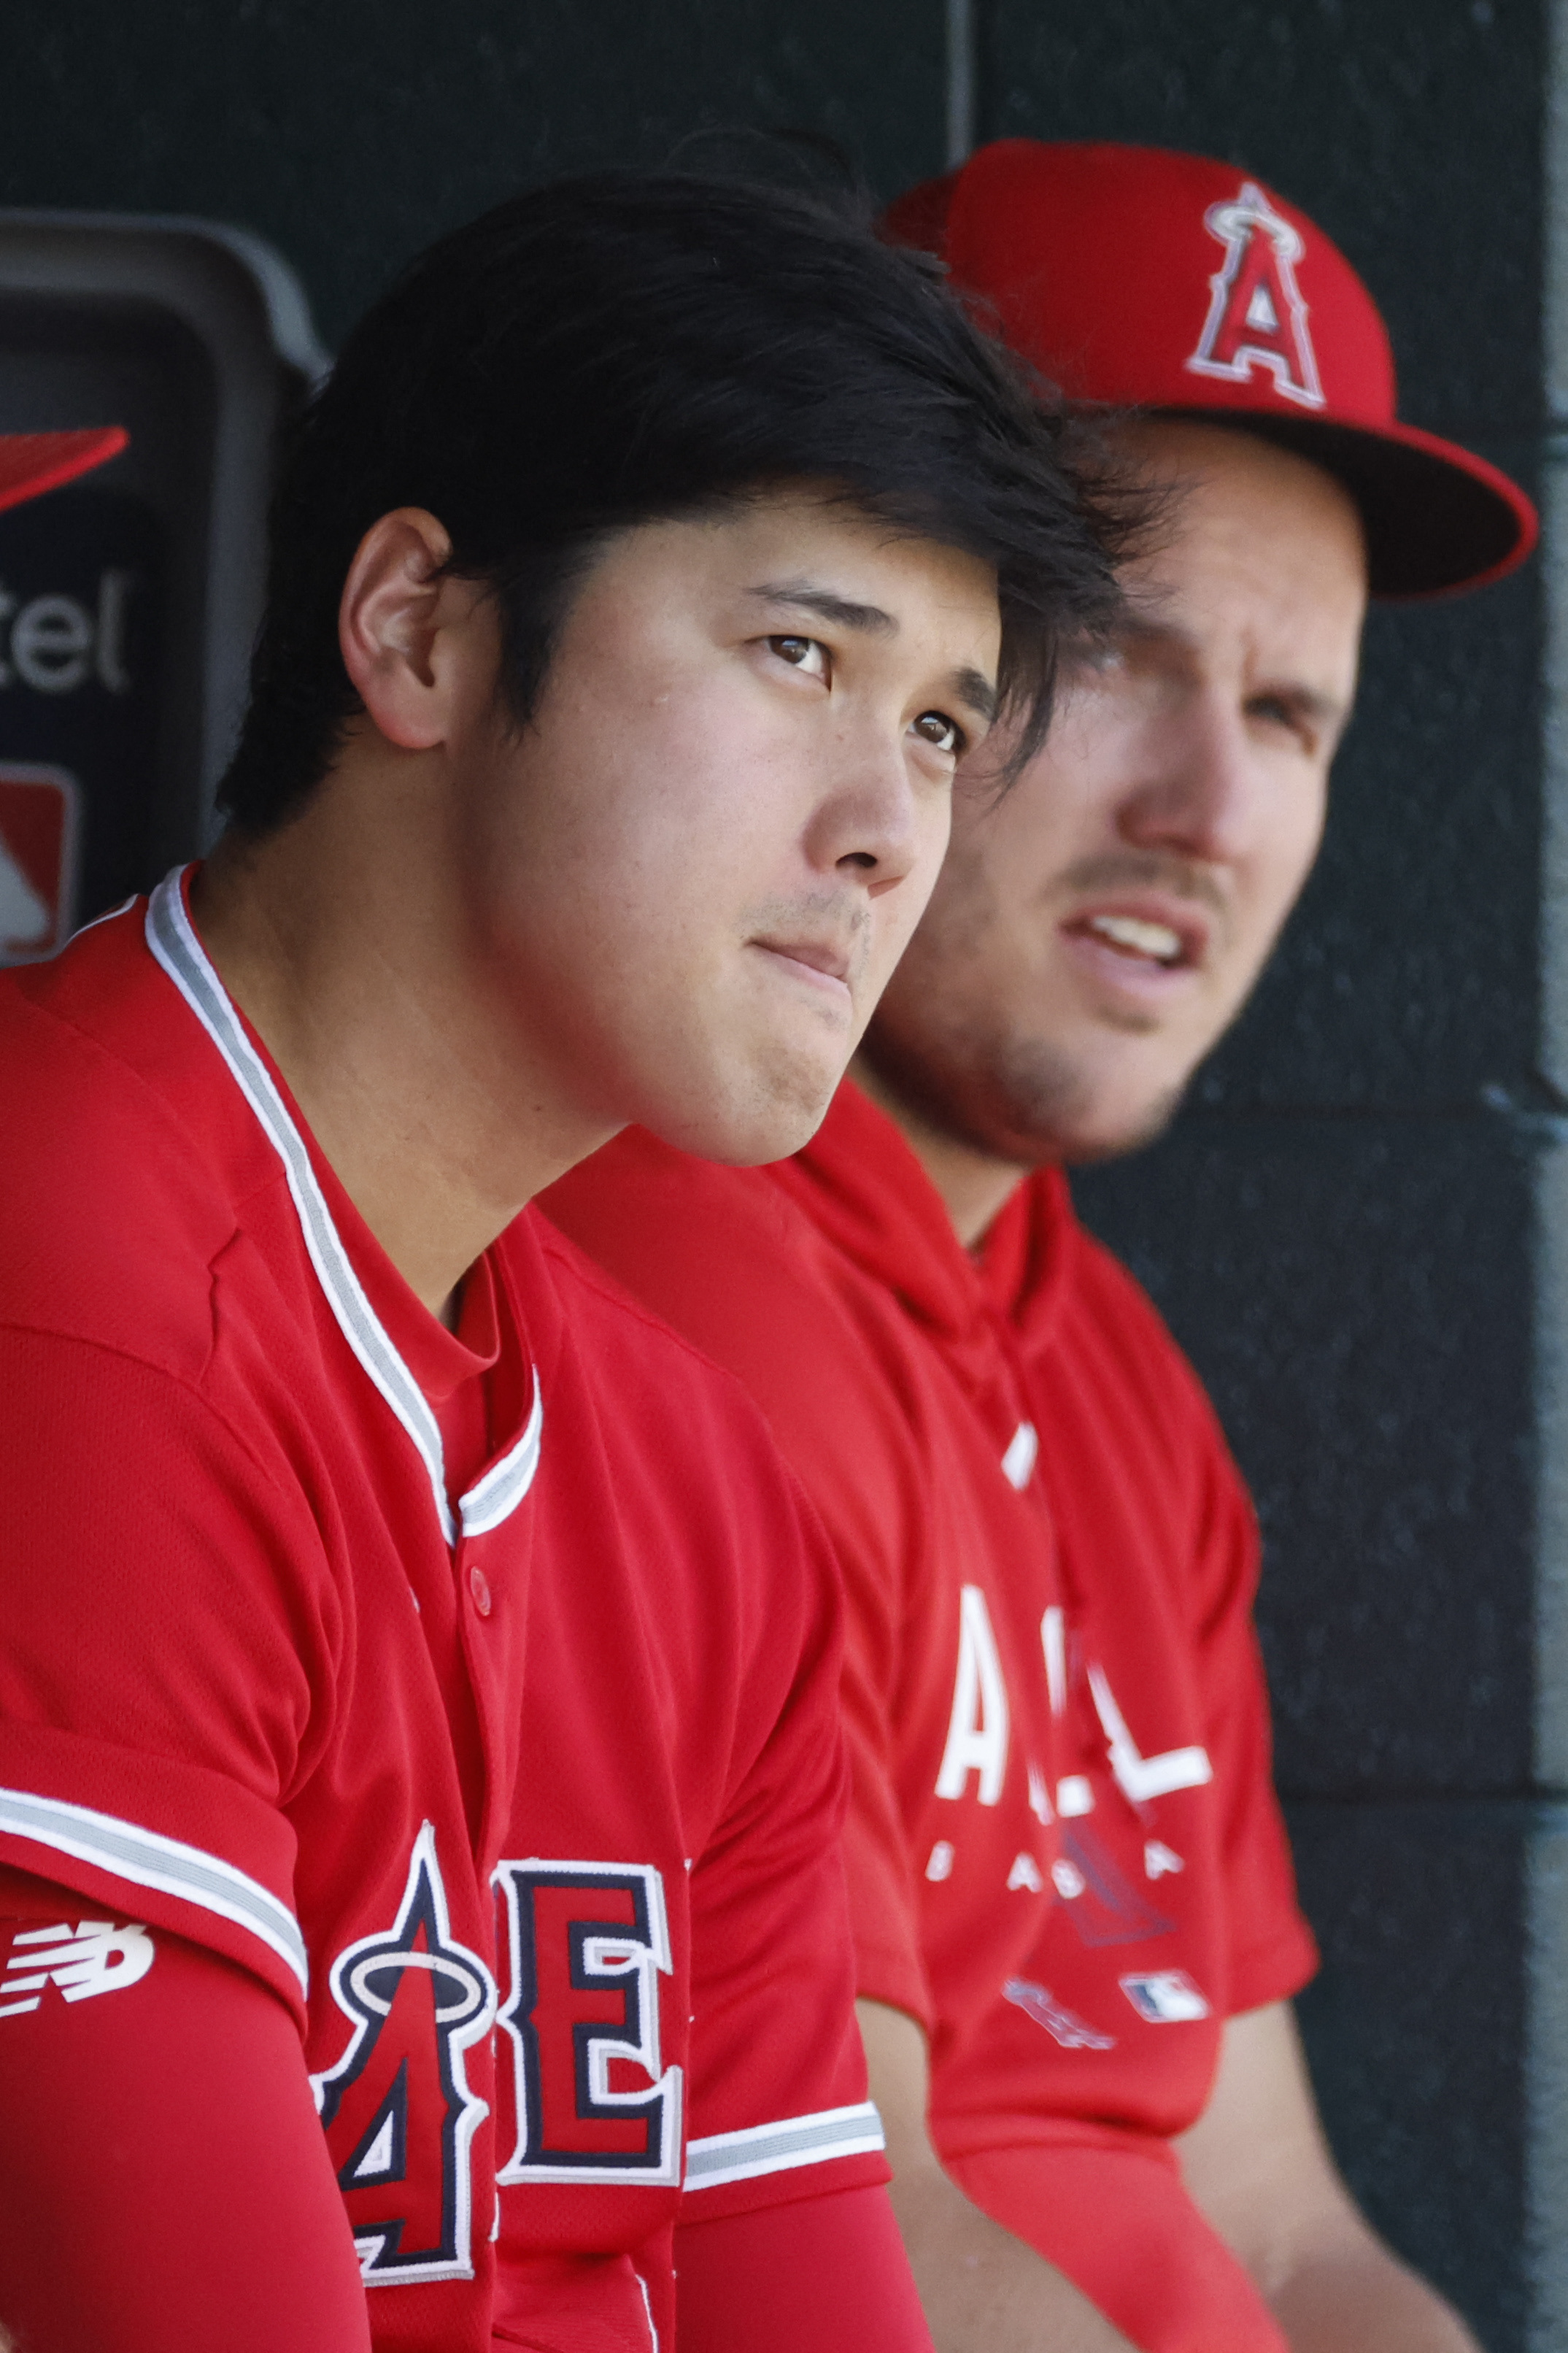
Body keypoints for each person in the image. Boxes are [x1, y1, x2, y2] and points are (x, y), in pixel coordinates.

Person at [0, 171, 1127, 2353]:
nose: (894, 828)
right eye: (801, 653)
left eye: (937, 729)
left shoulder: (694, 1495)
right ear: (420, 632)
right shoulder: (66, 1284)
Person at [543, 139, 1537, 2353]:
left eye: (1292, 716)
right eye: (1110, 653)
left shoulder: (1113, 1379)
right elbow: (825, 2231)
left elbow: (1281, 2228)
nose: (1213, 807)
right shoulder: (665, 1276)